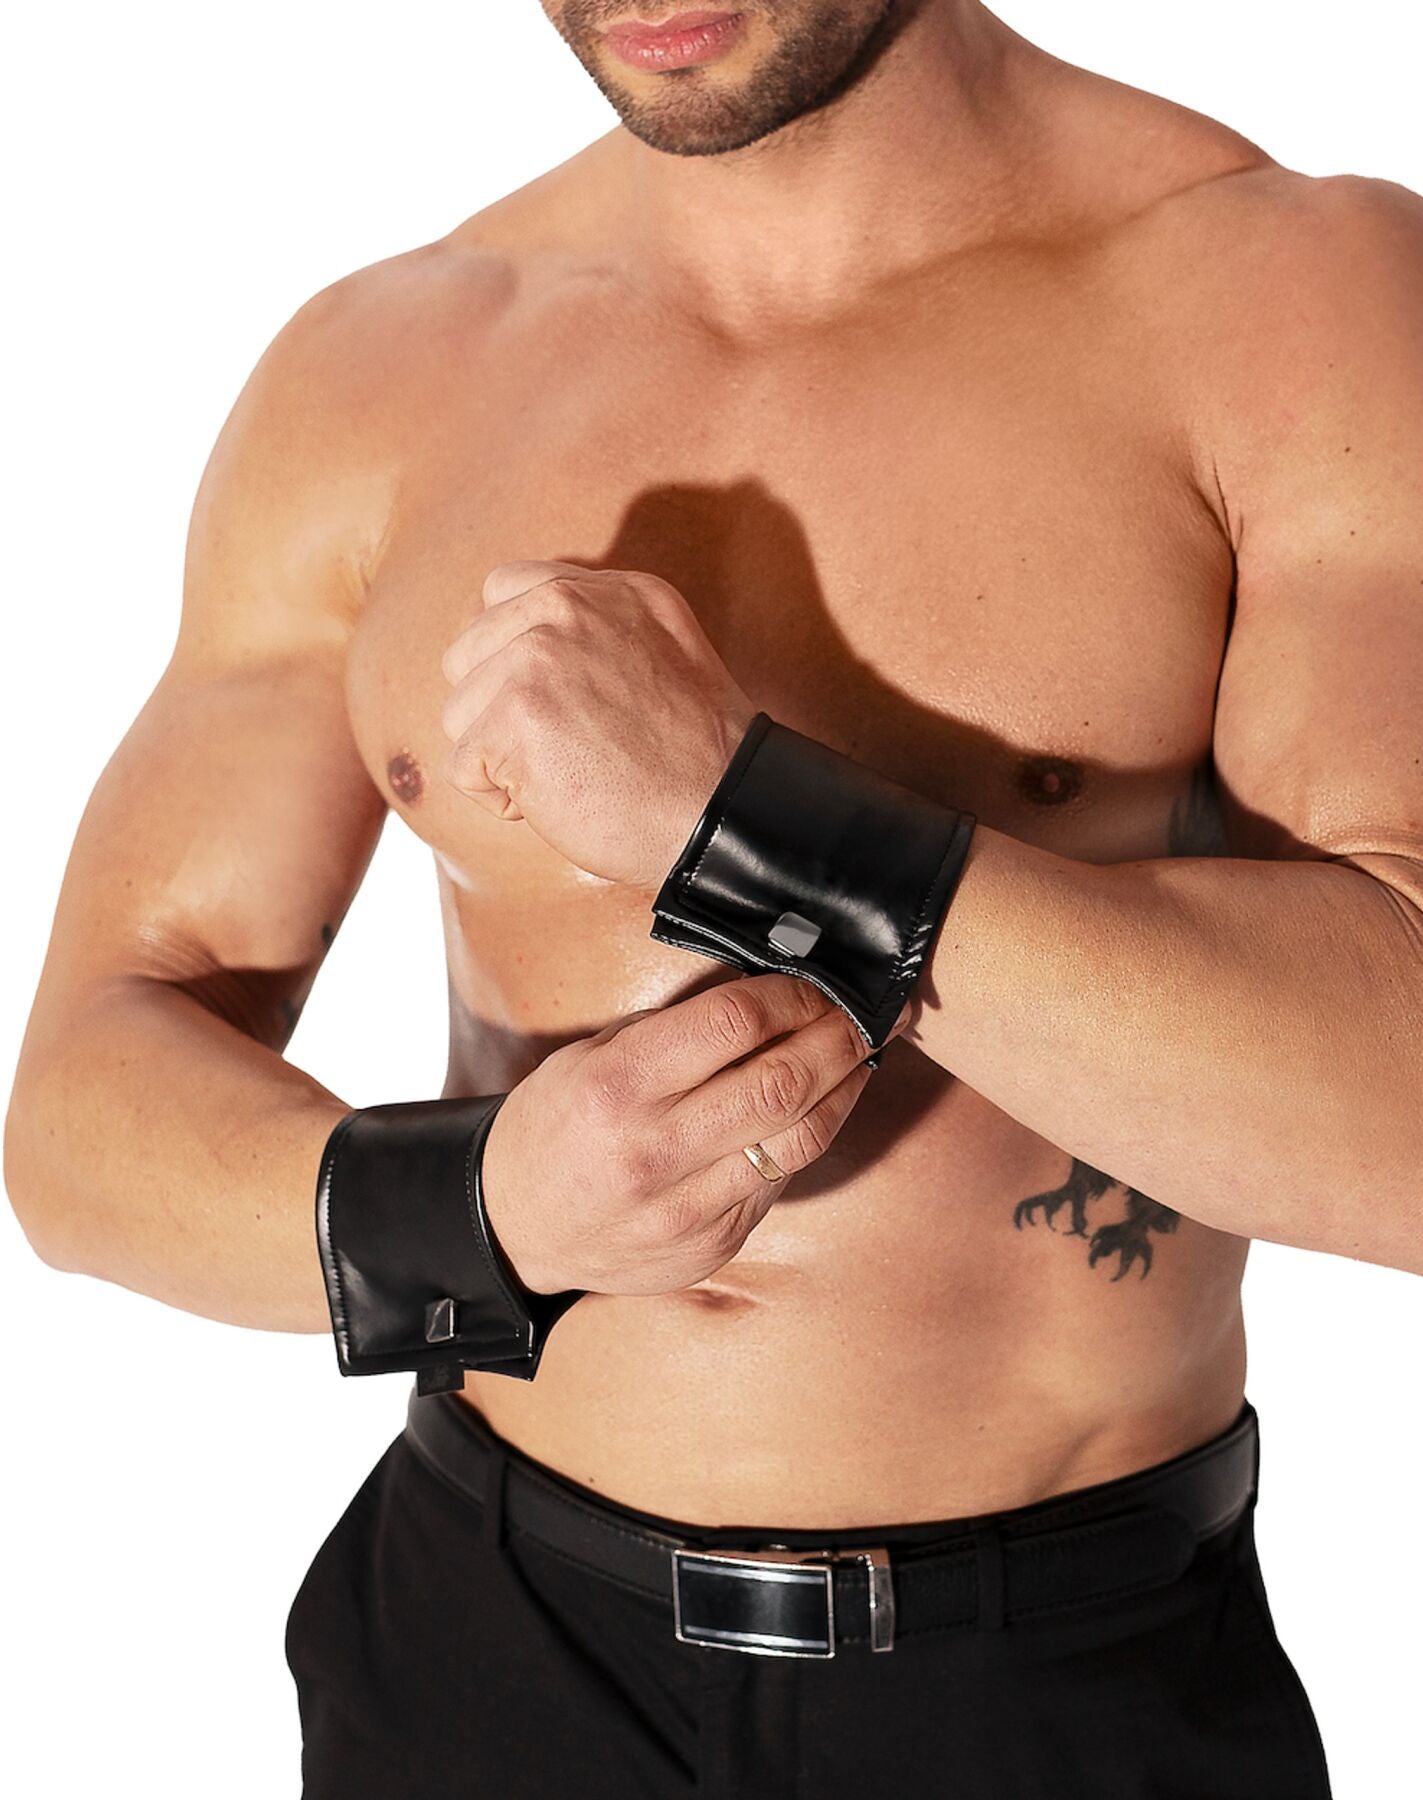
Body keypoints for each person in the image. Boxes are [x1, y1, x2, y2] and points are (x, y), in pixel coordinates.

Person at [6, 1, 1421, 1792]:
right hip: (480, 1642)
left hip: (1045, 1680)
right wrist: (489, 1217)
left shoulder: (1293, 297)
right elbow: (81, 1111)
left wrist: (741, 818)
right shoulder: (382, 368)